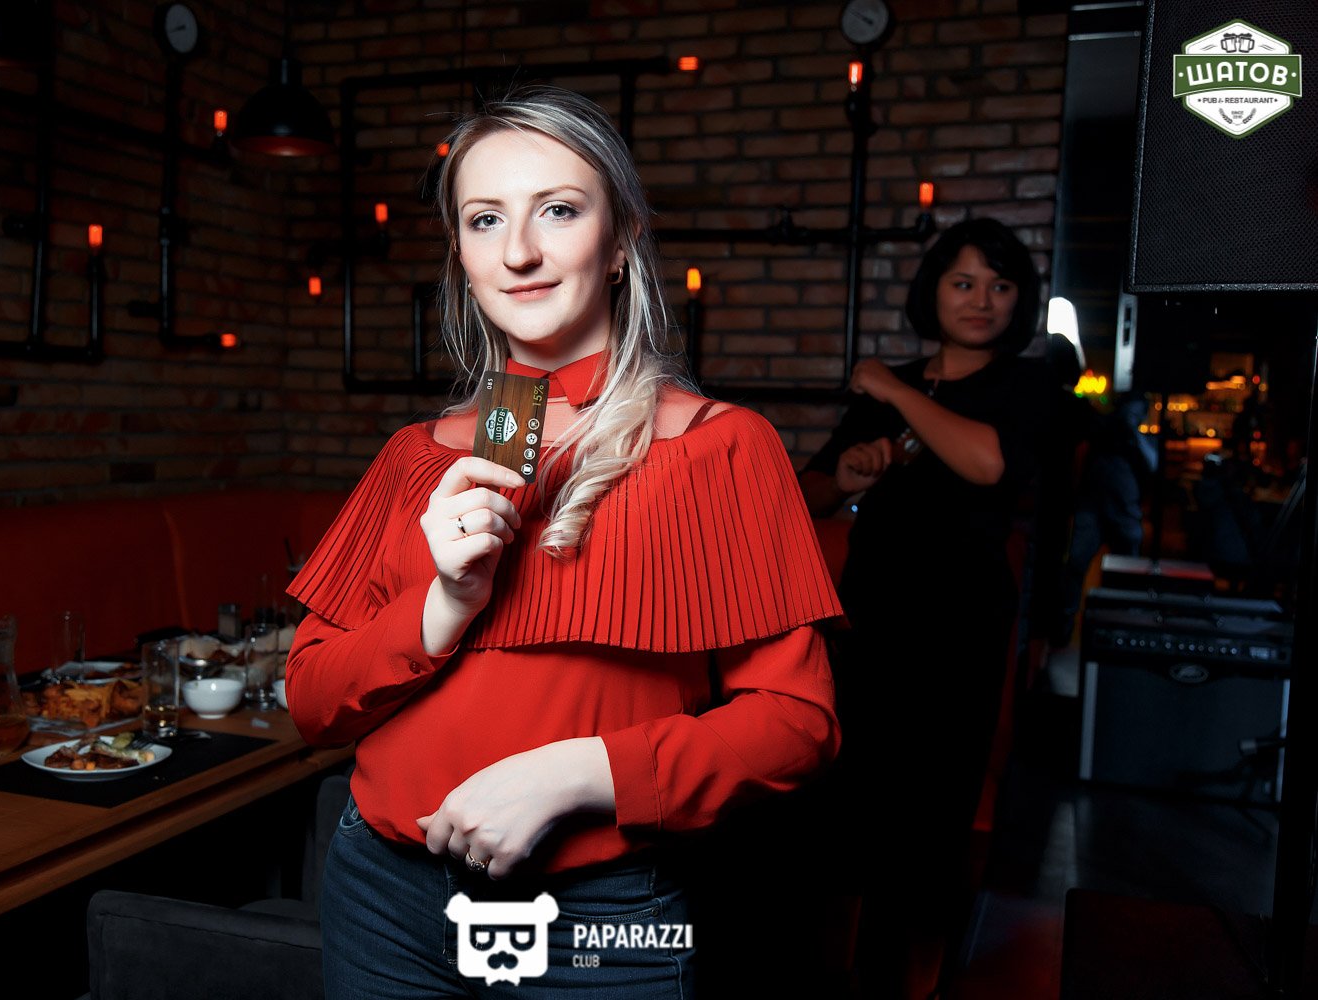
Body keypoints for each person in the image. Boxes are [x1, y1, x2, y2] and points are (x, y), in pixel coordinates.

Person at [284, 85, 842, 999]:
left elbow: (798, 726)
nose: (519, 252)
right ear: (461, 256)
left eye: (558, 210)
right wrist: (443, 604)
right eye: (485, 220)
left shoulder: (720, 447)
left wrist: (581, 775)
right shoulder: (415, 457)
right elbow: (310, 703)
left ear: (620, 241)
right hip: (381, 898)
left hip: (600, 915)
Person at [799, 218, 1052, 1000]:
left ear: (1019, 300)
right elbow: (808, 494)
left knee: (931, 811)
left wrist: (896, 390)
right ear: (934, 291)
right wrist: (847, 475)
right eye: (963, 282)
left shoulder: (1024, 384)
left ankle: (906, 978)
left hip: (961, 628)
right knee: (849, 800)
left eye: (1001, 285)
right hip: (873, 620)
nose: (981, 300)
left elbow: (987, 463)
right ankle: (828, 968)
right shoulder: (894, 384)